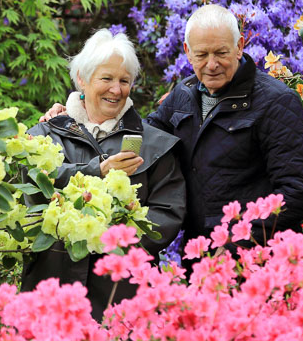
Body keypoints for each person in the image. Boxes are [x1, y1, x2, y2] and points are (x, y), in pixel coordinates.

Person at [43, 5, 303, 244]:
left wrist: (237, 241)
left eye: (221, 52)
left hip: (255, 257)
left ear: (240, 46)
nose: (212, 64)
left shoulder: (275, 102)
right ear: (187, 52)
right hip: (198, 254)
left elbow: (297, 193)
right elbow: (139, 134)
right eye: (201, 55)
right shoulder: (184, 96)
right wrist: (76, 112)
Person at [22, 29, 185, 319]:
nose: (116, 89)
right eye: (106, 79)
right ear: (82, 80)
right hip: (51, 293)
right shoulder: (44, 137)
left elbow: (168, 213)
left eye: (124, 81)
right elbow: (32, 192)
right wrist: (97, 171)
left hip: (121, 297)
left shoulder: (155, 145)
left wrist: (109, 237)